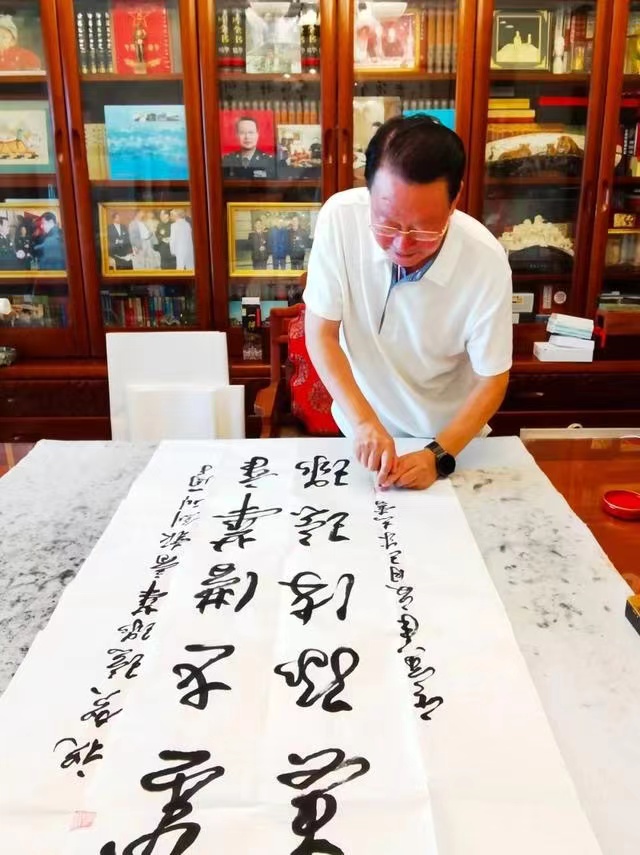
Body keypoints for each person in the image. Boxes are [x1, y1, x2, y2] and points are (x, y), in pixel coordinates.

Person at [303, 115, 512, 491]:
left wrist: (438, 454)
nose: (402, 244)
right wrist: (364, 422)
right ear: (367, 189)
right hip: (360, 431)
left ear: (455, 200)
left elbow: (492, 379)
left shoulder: (486, 261)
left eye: (425, 228)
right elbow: (321, 334)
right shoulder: (340, 219)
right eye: (386, 223)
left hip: (447, 439)